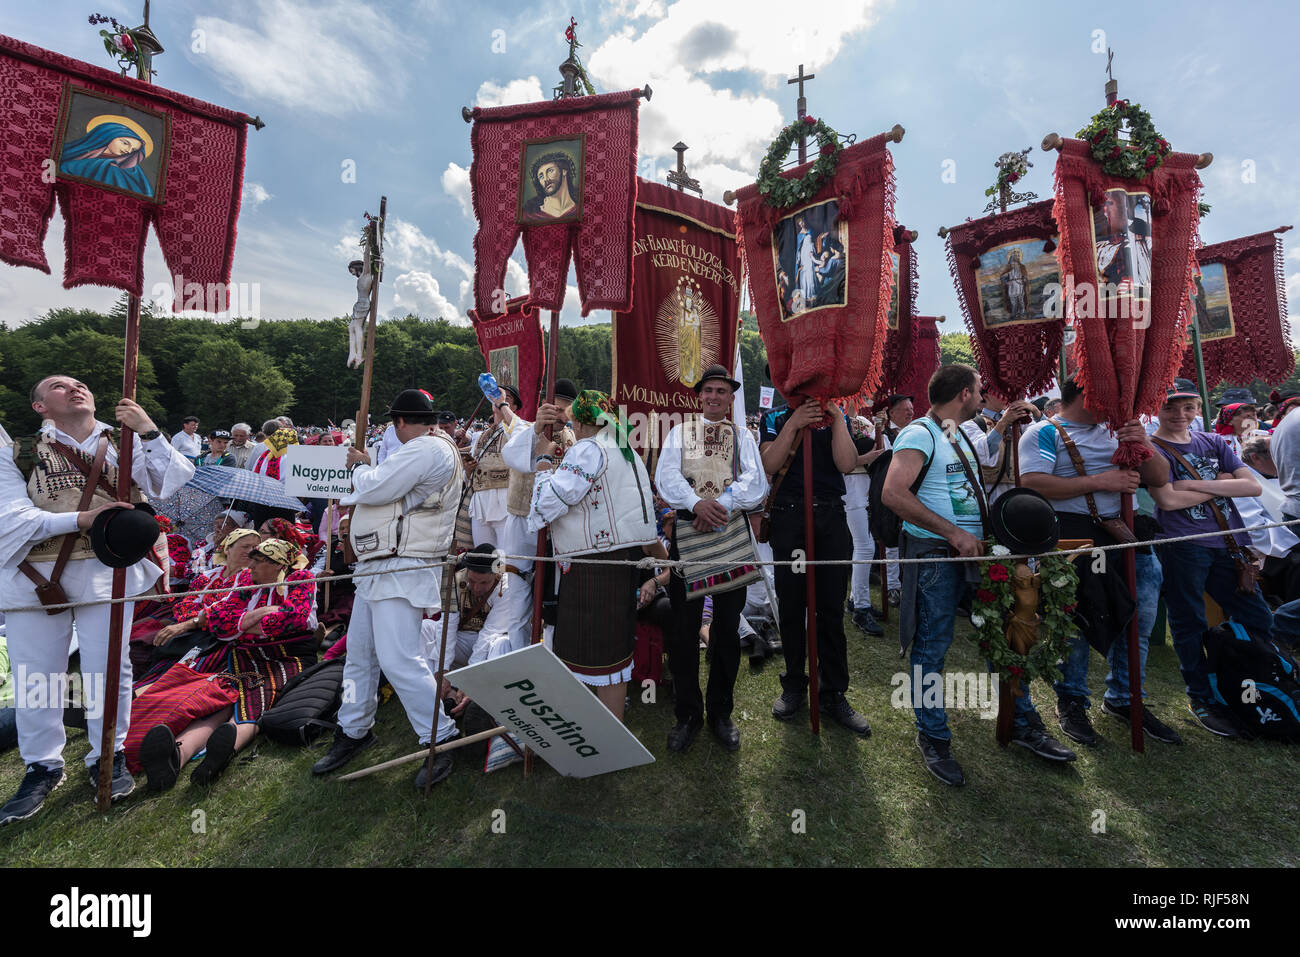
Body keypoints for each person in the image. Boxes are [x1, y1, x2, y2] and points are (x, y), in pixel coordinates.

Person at [0, 375, 194, 825]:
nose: (73, 387)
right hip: (35, 577)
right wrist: (81, 519)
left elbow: (171, 482)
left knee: (109, 668)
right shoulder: (17, 451)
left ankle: (108, 754)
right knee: (36, 674)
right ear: (39, 406)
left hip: (107, 575)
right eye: (57, 385)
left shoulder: (125, 441)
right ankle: (43, 766)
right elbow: (10, 517)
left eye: (79, 383)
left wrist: (147, 429)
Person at [882, 364, 1072, 786]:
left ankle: (1021, 721)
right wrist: (952, 532)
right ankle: (932, 736)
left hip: (978, 555)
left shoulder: (960, 433)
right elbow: (892, 494)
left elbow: (975, 480)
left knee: (1006, 637)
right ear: (965, 394)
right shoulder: (919, 433)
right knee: (932, 647)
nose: (984, 395)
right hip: (937, 556)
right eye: (980, 390)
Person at [313, 389, 465, 789]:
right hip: (382, 565)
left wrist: (359, 469)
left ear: (399, 423)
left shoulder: (426, 448)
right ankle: (354, 728)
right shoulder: (427, 447)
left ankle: (441, 737)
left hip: (403, 564)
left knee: (400, 659)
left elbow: (375, 487)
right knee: (359, 656)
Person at [1017, 378, 1180, 745]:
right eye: (1112, 396)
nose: (1121, 406)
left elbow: (1159, 478)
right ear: (1088, 394)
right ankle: (1071, 700)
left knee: (1137, 622)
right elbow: (1032, 484)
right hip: (1074, 539)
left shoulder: (1122, 431)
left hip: (1129, 535)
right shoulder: (1045, 432)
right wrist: (1101, 481)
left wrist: (1143, 441)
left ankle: (1125, 698)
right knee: (1075, 623)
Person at [135, 538, 317, 789]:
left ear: (277, 565)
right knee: (217, 701)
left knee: (256, 700)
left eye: (258, 560)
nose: (250, 565)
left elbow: (293, 619)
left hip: (285, 656)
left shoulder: (300, 580)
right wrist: (255, 617)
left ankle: (218, 756)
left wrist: (240, 624)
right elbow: (219, 618)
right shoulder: (245, 581)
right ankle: (176, 758)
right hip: (244, 654)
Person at [1147, 385, 1273, 738]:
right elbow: (1168, 501)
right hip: (1182, 544)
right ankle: (1201, 697)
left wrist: (1192, 487)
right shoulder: (1152, 449)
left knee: (1258, 615)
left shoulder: (1213, 443)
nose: (1180, 415)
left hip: (1228, 543)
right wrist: (1219, 482)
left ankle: (1253, 682)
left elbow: (1253, 487)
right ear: (1158, 409)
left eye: (1188, 407)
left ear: (1198, 407)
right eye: (1171, 407)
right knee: (1189, 622)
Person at [655, 365, 768, 752]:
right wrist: (695, 504)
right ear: (700, 396)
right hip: (691, 538)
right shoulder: (679, 433)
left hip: (730, 538)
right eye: (709, 391)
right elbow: (666, 477)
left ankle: (721, 711)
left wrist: (717, 504)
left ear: (731, 397)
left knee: (725, 629)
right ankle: (688, 714)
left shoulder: (743, 436)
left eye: (722, 390)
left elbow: (757, 482)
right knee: (684, 630)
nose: (715, 396)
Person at [527, 391, 657, 721]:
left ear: (583, 422)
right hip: (617, 559)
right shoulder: (624, 449)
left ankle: (596, 731)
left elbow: (549, 502)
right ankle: (610, 728)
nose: (572, 427)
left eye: (572, 422)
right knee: (612, 650)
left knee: (595, 650)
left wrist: (543, 462)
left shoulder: (588, 448)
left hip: (592, 564)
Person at [759, 392, 871, 736]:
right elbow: (768, 464)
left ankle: (833, 692)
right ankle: (794, 683)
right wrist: (794, 423)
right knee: (792, 607)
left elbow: (846, 464)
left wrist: (836, 419)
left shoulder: (838, 416)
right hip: (789, 517)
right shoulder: (776, 417)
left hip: (829, 518)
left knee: (831, 609)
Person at [501, 379, 578, 651]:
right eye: (553, 409)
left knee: (552, 597)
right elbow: (511, 454)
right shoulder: (527, 429)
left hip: (557, 525)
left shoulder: (576, 439)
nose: (558, 415)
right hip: (522, 521)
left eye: (564, 411)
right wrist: (536, 427)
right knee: (519, 598)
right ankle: (520, 655)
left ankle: (552, 658)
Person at [1237, 436, 1300, 603]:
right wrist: (1293, 541)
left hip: (1285, 541)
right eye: (1277, 453)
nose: (1284, 457)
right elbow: (1255, 531)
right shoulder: (1241, 482)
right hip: (1267, 553)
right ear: (1255, 458)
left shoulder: (1281, 475)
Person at [467, 385, 528, 548]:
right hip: (481, 504)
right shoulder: (481, 436)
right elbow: (471, 471)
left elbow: (519, 432)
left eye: (507, 398)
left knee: (505, 562)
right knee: (483, 558)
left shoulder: (518, 428)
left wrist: (503, 406)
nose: (500, 399)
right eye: (497, 396)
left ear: (513, 407)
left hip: (505, 503)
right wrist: (468, 470)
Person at [844, 413, 883, 635]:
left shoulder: (864, 421)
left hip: (866, 485)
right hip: (849, 486)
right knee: (865, 546)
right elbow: (834, 459)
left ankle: (855, 599)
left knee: (866, 545)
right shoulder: (834, 419)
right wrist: (862, 459)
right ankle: (861, 607)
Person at [875, 394, 915, 606]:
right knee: (890, 540)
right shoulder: (882, 433)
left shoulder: (917, 433)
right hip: (889, 493)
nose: (911, 412)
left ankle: (909, 583)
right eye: (905, 409)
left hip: (912, 493)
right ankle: (892, 587)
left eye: (912, 409)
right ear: (892, 413)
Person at [58, 118, 154, 197]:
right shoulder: (81, 152)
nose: (128, 151)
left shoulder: (121, 168)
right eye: (125, 143)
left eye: (133, 150)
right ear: (109, 135)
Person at [522, 152, 578, 221]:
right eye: (541, 176)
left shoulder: (580, 208)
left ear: (564, 171)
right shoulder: (530, 214)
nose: (545, 179)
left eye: (550, 171)